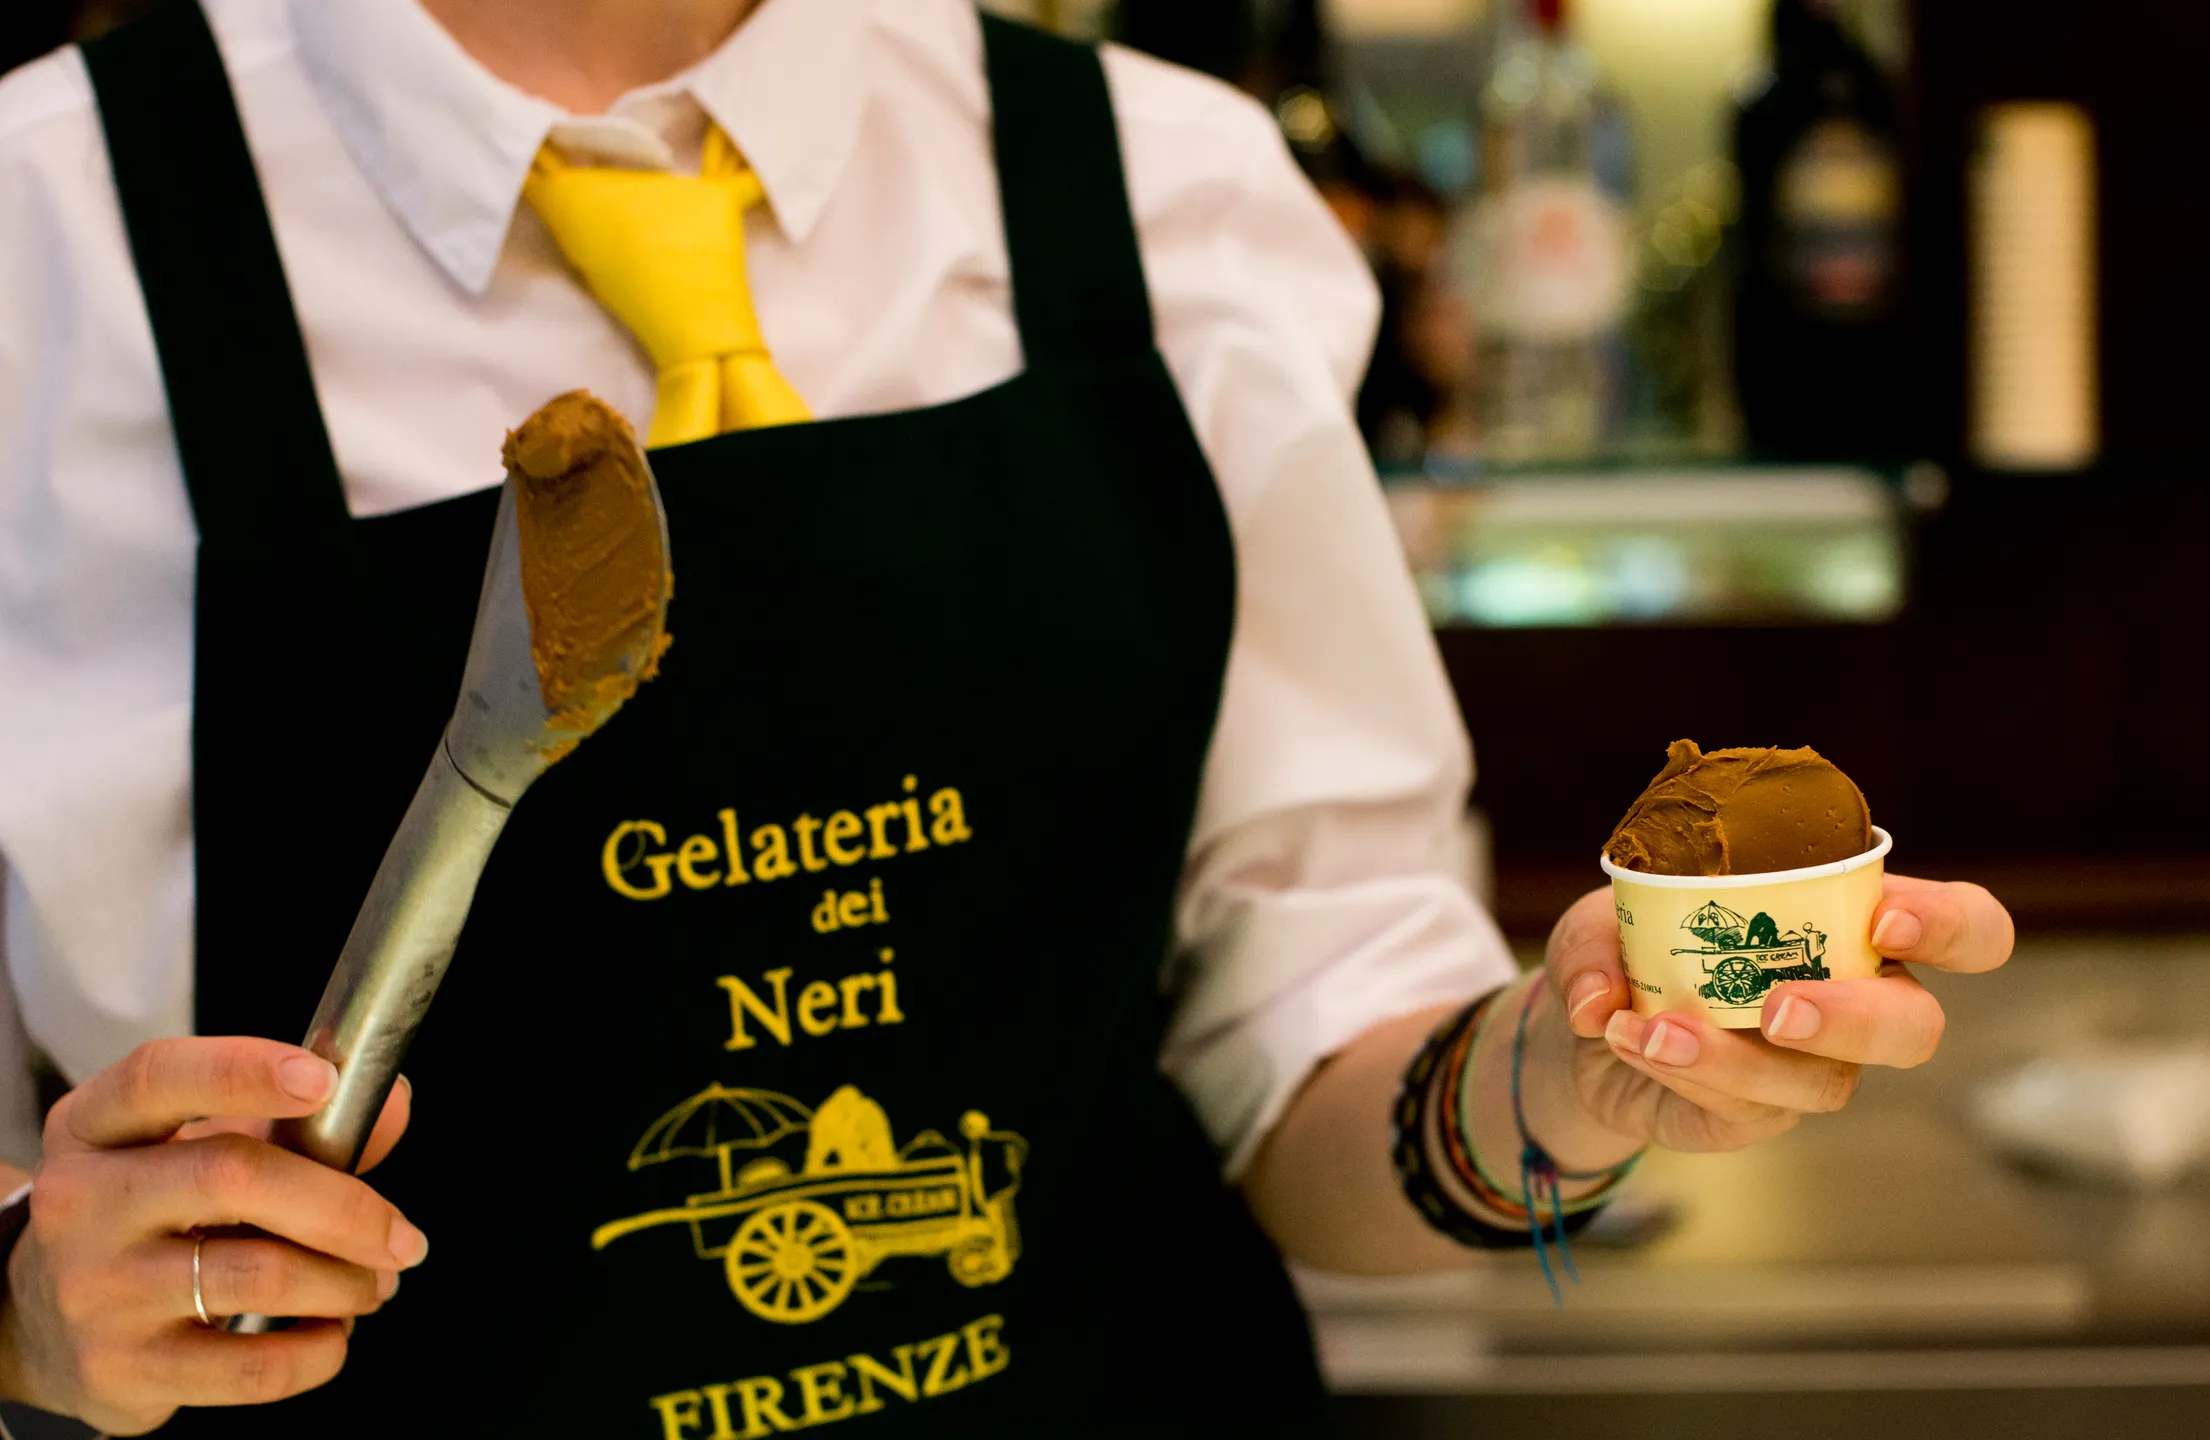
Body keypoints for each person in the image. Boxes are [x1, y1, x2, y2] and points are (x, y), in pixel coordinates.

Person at [0, 0, 2016, 1433]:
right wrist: (24, 1316)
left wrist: (1574, 1078)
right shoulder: (46, 241)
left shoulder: (1166, 195)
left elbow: (1305, 1074)